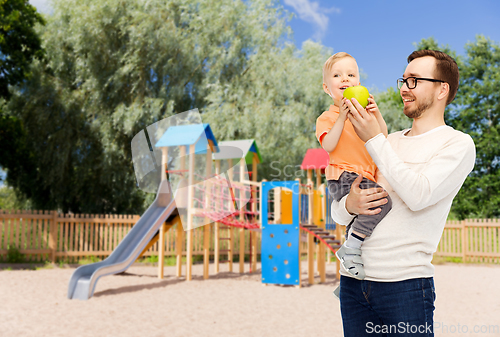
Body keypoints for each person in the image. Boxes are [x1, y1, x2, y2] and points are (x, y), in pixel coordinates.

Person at [332, 50, 476, 336]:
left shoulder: (457, 145)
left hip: (405, 287)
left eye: (414, 81)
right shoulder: (387, 141)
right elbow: (337, 214)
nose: (403, 88)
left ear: (441, 90)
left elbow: (419, 194)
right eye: (403, 80)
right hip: (352, 283)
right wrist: (349, 203)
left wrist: (373, 139)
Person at [316, 52, 391, 280]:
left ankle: (351, 257)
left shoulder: (364, 115)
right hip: (344, 175)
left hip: (362, 175)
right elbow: (329, 145)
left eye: (351, 74)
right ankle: (351, 247)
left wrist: (375, 113)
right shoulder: (327, 117)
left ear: (359, 83)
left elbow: (382, 137)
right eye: (337, 76)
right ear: (327, 88)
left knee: (365, 213)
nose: (345, 79)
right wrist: (342, 117)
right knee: (382, 202)